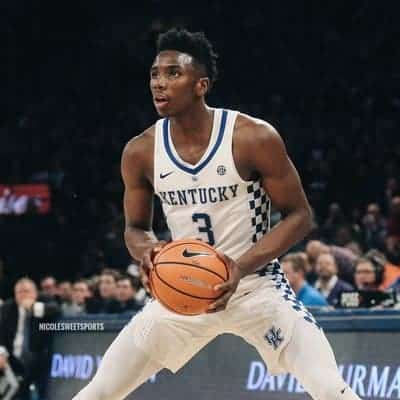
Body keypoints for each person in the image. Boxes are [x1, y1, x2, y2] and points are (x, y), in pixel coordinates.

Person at [73, 29, 360, 400]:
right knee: (98, 391)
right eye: (155, 74)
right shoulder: (140, 151)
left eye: (173, 73)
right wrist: (148, 252)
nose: (159, 83)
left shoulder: (253, 137)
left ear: (201, 85)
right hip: (181, 291)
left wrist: (238, 268)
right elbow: (136, 228)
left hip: (256, 286)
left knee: (330, 387)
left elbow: (300, 216)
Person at [0, 277, 60, 399]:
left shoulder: (43, 300)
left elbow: (57, 310)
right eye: (19, 292)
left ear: (35, 293)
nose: (23, 295)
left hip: (38, 360)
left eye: (26, 291)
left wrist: (33, 307)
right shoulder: (8, 308)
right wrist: (1, 352)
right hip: (13, 361)